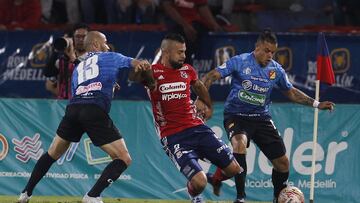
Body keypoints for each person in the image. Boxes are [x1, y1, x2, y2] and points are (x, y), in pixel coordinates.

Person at [201, 29, 335, 203]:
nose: (270, 55)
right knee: (239, 144)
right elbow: (210, 76)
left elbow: (291, 93)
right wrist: (202, 101)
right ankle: (240, 198)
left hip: (261, 118)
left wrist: (316, 104)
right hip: (236, 116)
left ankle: (277, 197)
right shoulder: (239, 61)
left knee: (283, 164)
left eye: (273, 52)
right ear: (257, 47)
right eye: (266, 50)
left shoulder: (276, 70)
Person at [17, 31, 152, 203]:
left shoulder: (79, 67)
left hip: (73, 109)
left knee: (52, 153)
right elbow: (135, 64)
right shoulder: (111, 56)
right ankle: (92, 196)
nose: (107, 45)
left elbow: (79, 91)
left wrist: (108, 86)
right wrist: (143, 65)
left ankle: (25, 194)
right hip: (94, 110)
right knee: (123, 158)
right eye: (105, 42)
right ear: (95, 44)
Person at [130, 33, 242, 203]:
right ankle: (194, 194)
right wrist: (139, 70)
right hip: (174, 136)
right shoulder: (153, 73)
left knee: (234, 169)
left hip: (197, 128)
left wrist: (206, 103)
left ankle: (215, 179)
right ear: (166, 53)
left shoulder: (187, 70)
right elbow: (137, 78)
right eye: (179, 52)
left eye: (184, 52)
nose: (184, 56)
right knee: (199, 182)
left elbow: (199, 86)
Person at [161, 0, 223, 64]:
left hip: (195, 23)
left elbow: (202, 7)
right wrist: (185, 25)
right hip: (175, 21)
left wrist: (214, 25)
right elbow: (168, 7)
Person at [44, 23, 89, 99]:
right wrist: (56, 50)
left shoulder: (93, 57)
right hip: (63, 104)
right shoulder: (64, 59)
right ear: (73, 38)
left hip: (84, 102)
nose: (81, 40)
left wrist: (73, 58)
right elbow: (48, 73)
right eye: (77, 37)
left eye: (84, 37)